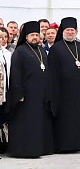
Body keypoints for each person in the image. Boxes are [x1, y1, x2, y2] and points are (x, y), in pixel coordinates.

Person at [6, 21, 53, 158]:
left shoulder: (41, 50)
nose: (35, 37)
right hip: (26, 96)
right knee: (26, 123)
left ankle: (39, 149)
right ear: (26, 37)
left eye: (37, 35)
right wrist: (19, 93)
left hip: (40, 95)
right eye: (32, 35)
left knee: (38, 122)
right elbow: (15, 74)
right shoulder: (20, 52)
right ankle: (24, 150)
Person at [47, 17, 80, 153]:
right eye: (67, 30)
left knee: (78, 117)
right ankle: (63, 145)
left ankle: (79, 144)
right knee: (65, 119)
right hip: (63, 92)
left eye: (72, 30)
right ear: (62, 31)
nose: (70, 32)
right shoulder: (56, 48)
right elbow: (52, 73)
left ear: (76, 31)